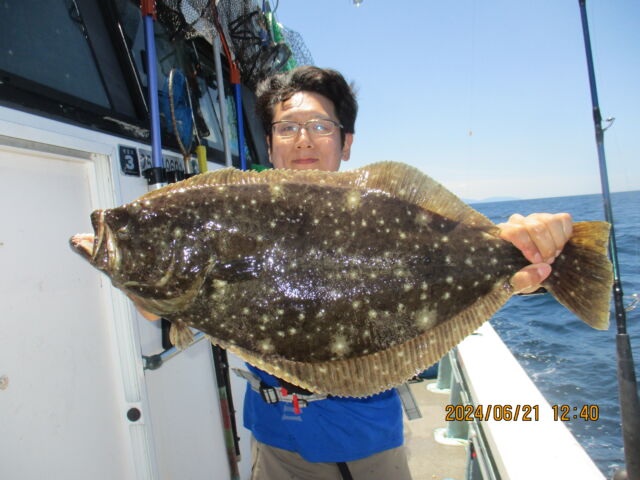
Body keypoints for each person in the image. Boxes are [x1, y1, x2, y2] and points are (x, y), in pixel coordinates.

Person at [133, 66, 573, 480]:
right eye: (287, 128)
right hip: (276, 440)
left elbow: (461, 262)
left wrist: (526, 251)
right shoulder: (235, 216)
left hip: (367, 442)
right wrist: (148, 285)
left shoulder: (383, 214)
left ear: (346, 144)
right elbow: (171, 304)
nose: (303, 140)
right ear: (268, 144)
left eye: (320, 126)